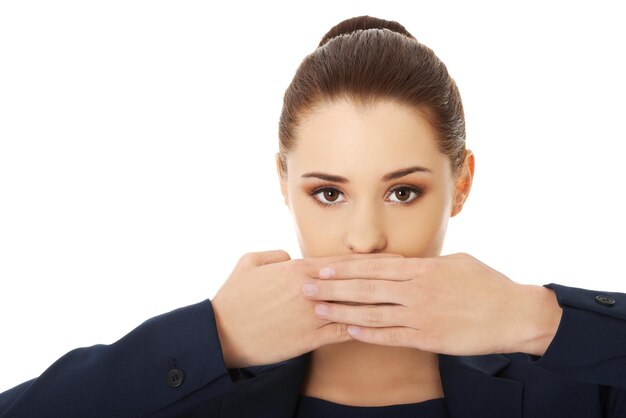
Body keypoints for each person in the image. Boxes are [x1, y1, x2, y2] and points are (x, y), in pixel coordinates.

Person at [1, 14, 626, 418]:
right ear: (283, 183)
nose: (364, 239)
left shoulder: (568, 390)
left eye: (402, 192)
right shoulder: (196, 394)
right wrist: (213, 338)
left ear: (460, 183)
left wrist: (534, 318)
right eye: (329, 193)